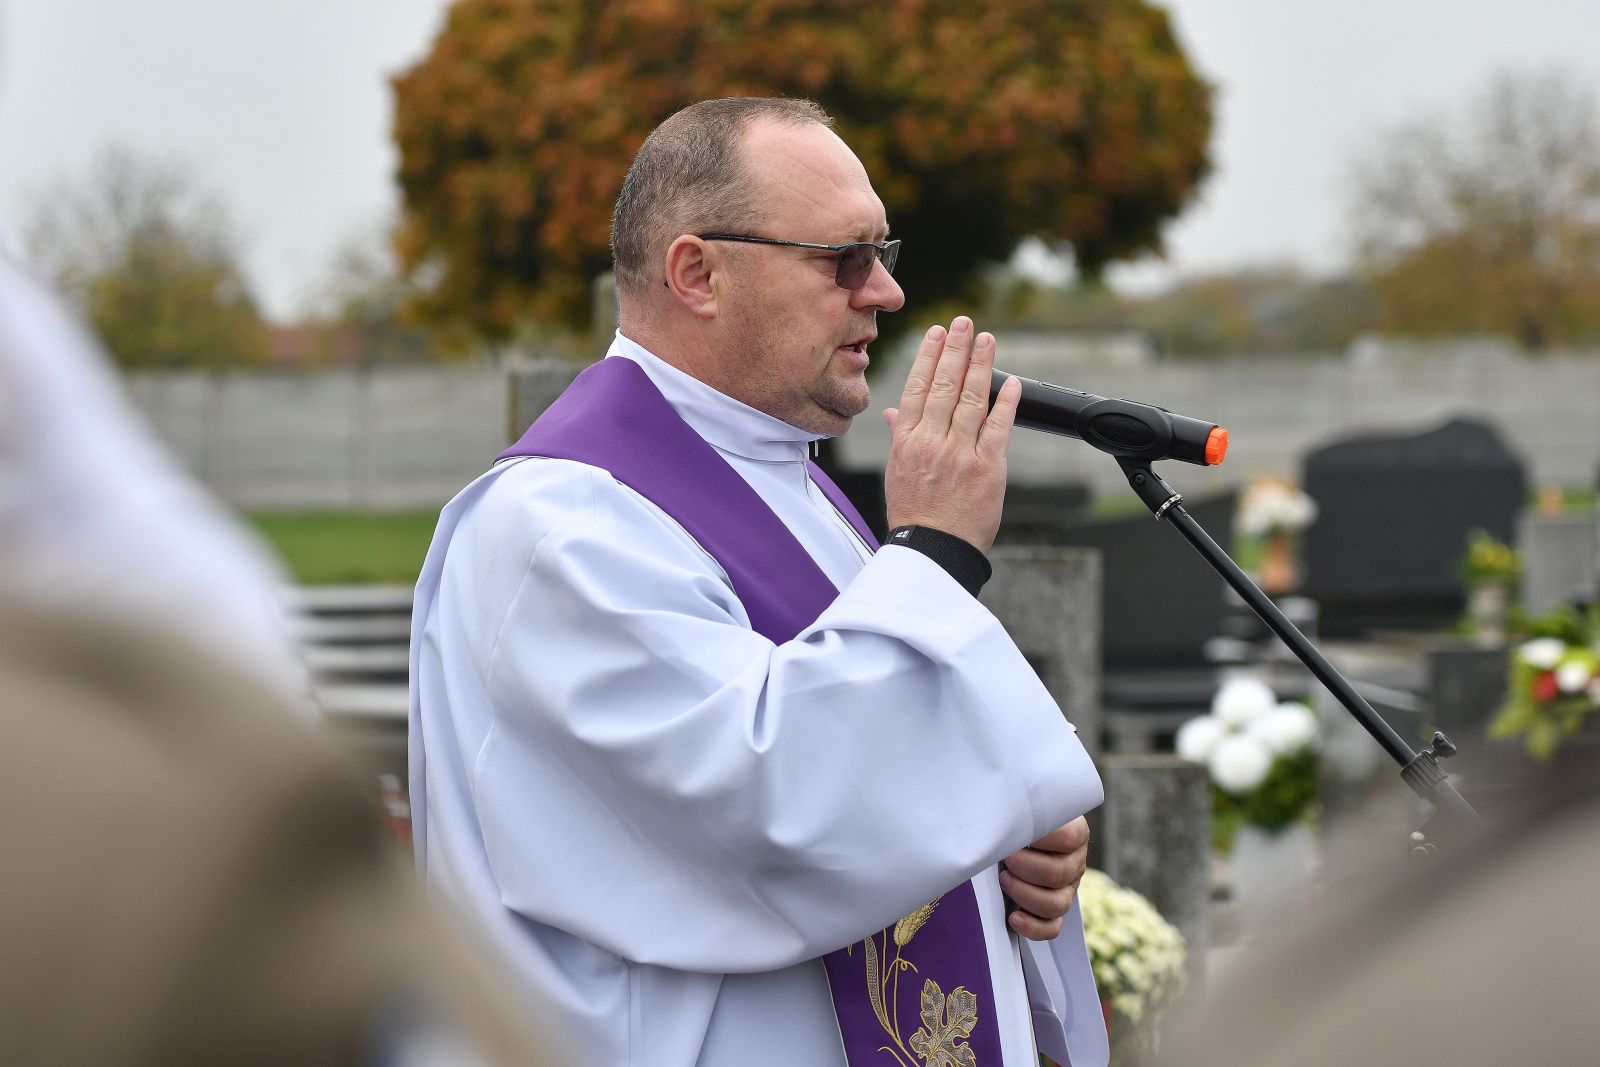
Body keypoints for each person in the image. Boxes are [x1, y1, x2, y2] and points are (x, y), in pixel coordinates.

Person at [409, 97, 1107, 1067]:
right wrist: (937, 553)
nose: (885, 293)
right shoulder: (557, 527)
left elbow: (865, 750)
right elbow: (768, 805)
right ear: (697, 271)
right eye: (842, 259)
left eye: (884, 253)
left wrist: (1005, 831)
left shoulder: (797, 490)